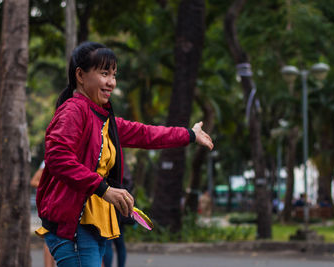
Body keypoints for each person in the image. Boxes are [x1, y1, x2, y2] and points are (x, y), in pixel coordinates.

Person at [35, 41, 214, 267]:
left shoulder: (101, 118)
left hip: (93, 225)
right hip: (74, 227)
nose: (111, 82)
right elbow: (58, 158)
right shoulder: (74, 110)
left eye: (114, 74)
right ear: (80, 75)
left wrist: (189, 134)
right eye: (104, 73)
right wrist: (104, 189)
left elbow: (146, 134)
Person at [30, 161, 56, 267]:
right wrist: (52, 187)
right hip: (53, 204)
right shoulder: (52, 156)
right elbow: (34, 181)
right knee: (50, 237)